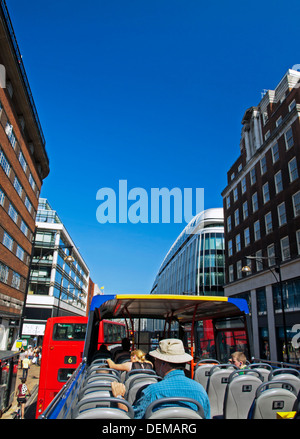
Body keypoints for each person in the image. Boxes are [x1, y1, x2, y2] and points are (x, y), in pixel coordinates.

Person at [111, 338, 211, 419]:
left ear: (163, 363)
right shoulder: (200, 390)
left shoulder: (152, 392)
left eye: (156, 360)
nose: (155, 363)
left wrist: (119, 397)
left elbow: (132, 417)